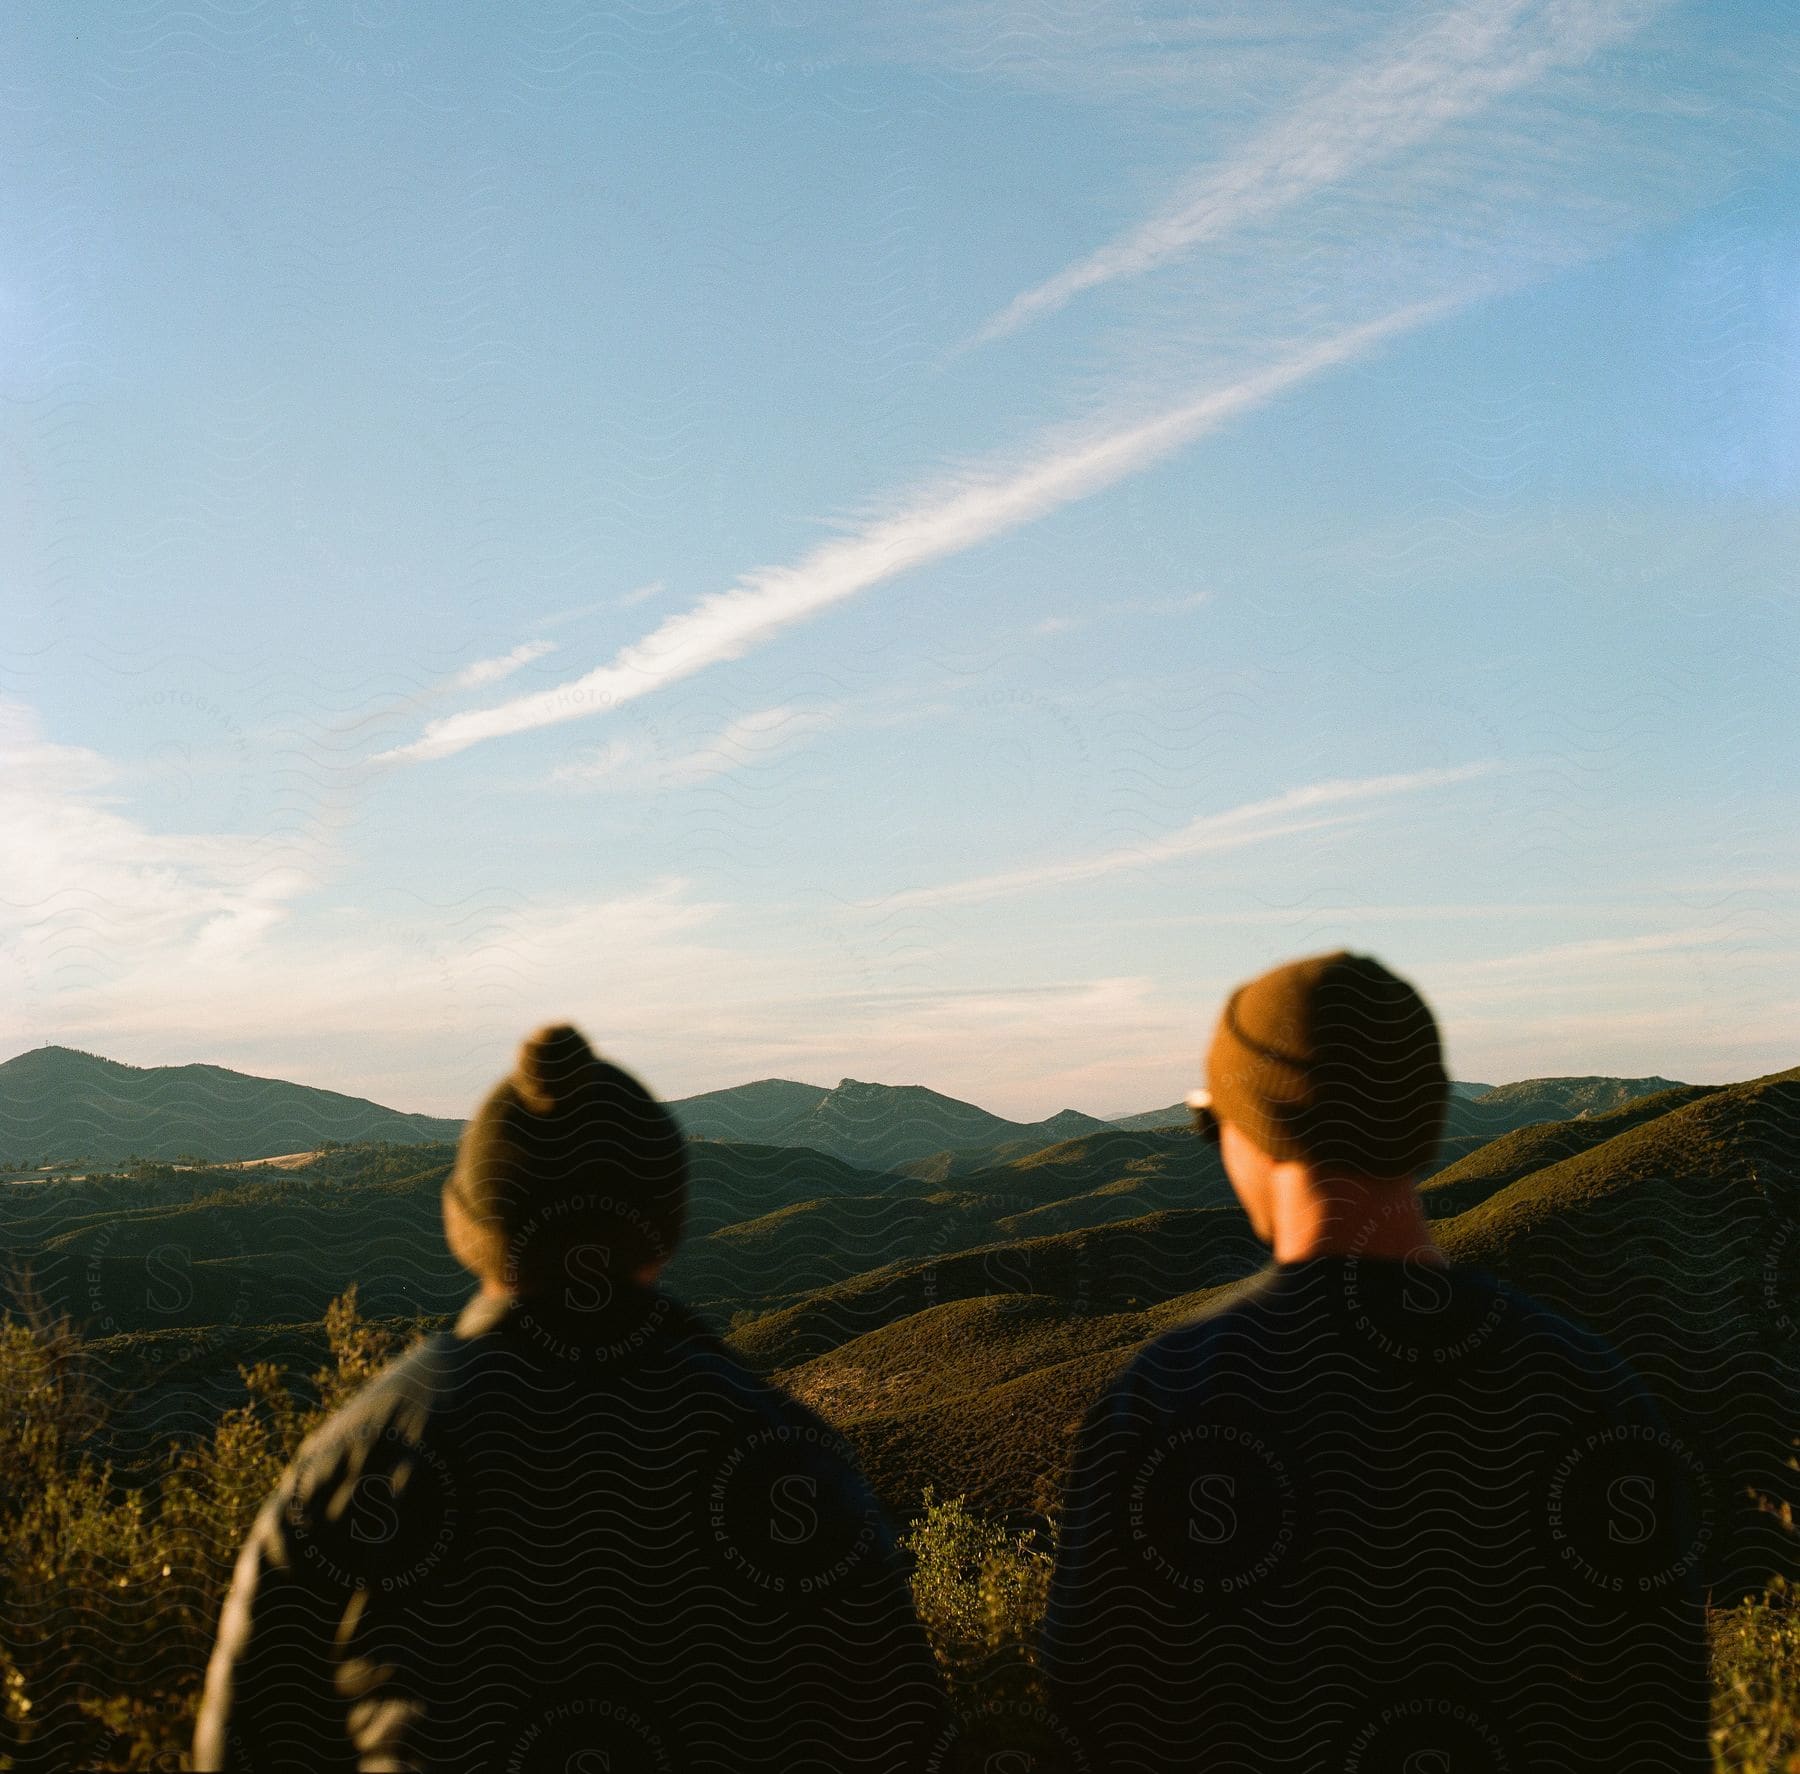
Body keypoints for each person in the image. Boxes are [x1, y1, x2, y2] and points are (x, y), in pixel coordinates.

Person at [194, 1024, 944, 1772]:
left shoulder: (354, 1460)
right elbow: (904, 1735)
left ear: (472, 1226)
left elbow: (240, 1745)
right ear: (665, 1224)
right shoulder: (789, 1459)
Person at [1042, 952, 1712, 1773]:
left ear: (1256, 1130)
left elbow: (1096, 1713)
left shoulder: (1166, 1398)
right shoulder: (1589, 1385)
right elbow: (1660, 1713)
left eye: (1211, 1122)